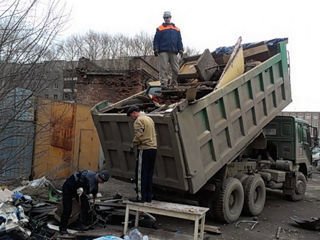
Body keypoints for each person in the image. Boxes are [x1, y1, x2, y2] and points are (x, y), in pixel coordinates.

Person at [59, 170, 110, 234]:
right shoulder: (87, 175)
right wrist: (81, 188)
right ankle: (62, 228)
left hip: (79, 191)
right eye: (102, 180)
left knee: (85, 206)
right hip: (69, 187)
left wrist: (94, 196)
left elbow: (94, 190)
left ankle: (80, 224)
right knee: (67, 209)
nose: (101, 182)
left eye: (103, 182)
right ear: (99, 176)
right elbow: (80, 182)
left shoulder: (95, 182)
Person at [127, 106, 157, 203]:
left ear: (134, 112)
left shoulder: (138, 121)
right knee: (149, 174)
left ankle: (140, 197)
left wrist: (132, 145)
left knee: (141, 174)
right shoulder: (149, 119)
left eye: (131, 115)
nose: (131, 117)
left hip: (144, 149)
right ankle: (148, 197)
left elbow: (139, 135)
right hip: (153, 149)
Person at [153, 11, 184, 90]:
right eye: (165, 18)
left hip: (173, 51)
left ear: (170, 18)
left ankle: (173, 83)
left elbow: (179, 40)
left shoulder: (176, 29)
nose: (167, 19)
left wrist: (181, 49)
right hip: (163, 51)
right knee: (163, 68)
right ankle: (164, 84)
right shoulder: (160, 28)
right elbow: (156, 40)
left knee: (176, 69)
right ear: (164, 18)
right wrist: (156, 49)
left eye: (168, 17)